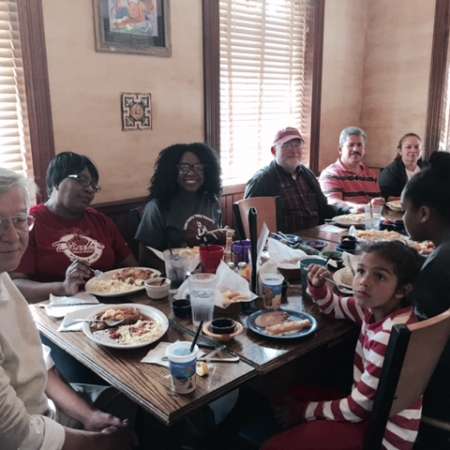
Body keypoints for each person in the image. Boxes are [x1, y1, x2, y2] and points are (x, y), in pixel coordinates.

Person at [0, 167, 136, 450]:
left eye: (19, 220)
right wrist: (102, 444)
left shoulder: (3, 277)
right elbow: (19, 437)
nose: (12, 236)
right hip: (28, 436)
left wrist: (90, 416)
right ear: (55, 184)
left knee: (137, 406)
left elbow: (39, 366)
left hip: (46, 410)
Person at [263, 241, 423, 450]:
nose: (363, 282)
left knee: (272, 445)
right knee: (291, 392)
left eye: (379, 276)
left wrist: (302, 412)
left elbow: (356, 409)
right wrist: (319, 288)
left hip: (380, 435)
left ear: (402, 290)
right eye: (361, 271)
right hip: (373, 415)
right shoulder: (376, 308)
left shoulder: (388, 335)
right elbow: (334, 306)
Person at [12, 152, 137, 303]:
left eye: (93, 185)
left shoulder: (101, 221)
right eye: (81, 180)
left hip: (110, 308)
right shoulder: (30, 222)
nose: (90, 189)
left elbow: (132, 268)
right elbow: (16, 286)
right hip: (56, 314)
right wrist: (63, 287)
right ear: (56, 181)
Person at [401, 151, 450, 449]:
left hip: (436, 395)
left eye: (404, 210)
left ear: (423, 213)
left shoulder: (439, 268)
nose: (402, 217)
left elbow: (415, 350)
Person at [245, 127, 348, 233]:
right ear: (274, 151)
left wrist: (349, 211)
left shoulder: (306, 174)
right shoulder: (262, 180)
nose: (294, 151)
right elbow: (249, 223)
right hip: (284, 244)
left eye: (297, 145)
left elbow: (324, 209)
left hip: (317, 240)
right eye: (287, 146)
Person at [136, 143, 223, 255]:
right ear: (171, 171)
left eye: (199, 167)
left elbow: (216, 243)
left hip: (211, 270)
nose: (192, 173)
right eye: (184, 167)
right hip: (174, 270)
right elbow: (145, 257)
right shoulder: (156, 207)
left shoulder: (211, 201)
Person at [319, 127, 382, 212]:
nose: (356, 149)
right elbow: (333, 203)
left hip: (369, 222)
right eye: (351, 145)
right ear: (340, 149)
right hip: (341, 223)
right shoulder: (330, 174)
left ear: (364, 150)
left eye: (359, 145)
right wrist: (360, 208)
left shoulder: (371, 175)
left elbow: (376, 206)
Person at [380, 133, 423, 199]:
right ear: (400, 151)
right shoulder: (390, 172)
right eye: (408, 147)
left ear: (421, 151)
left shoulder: (428, 169)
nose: (413, 150)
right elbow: (386, 197)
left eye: (417, 147)